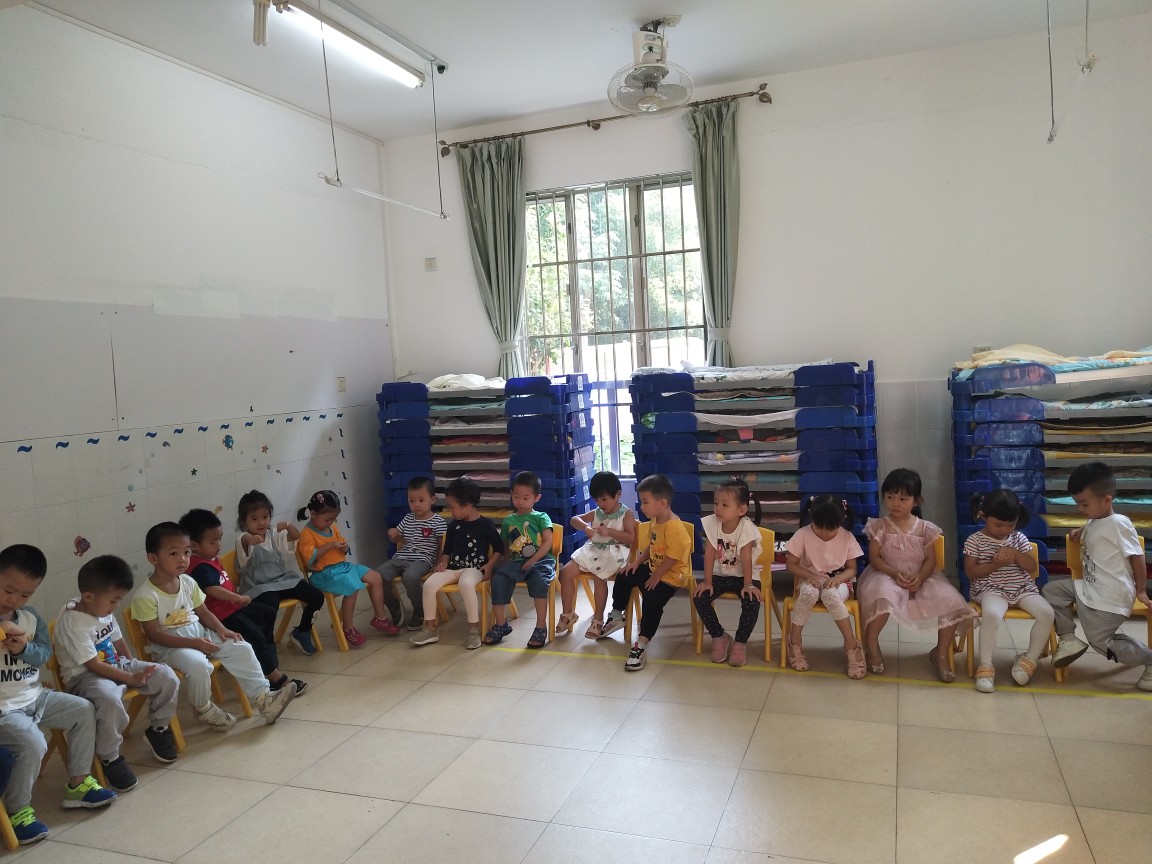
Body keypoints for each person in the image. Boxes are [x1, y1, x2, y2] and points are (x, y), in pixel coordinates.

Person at [0, 544, 116, 845]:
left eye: (25, 595)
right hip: (3, 709)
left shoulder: (29, 617)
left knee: (83, 710)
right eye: (8, 590)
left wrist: (24, 648)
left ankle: (78, 783)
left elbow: (43, 654)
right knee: (32, 742)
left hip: (34, 695)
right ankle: (18, 811)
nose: (14, 600)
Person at [130, 523, 296, 730]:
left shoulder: (188, 582)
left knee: (241, 647)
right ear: (153, 558)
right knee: (199, 664)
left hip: (201, 635)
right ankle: (203, 708)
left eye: (186, 552)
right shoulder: (145, 596)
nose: (182, 559)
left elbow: (204, 613)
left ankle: (264, 699)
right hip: (171, 648)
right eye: (173, 553)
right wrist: (194, 643)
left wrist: (221, 630)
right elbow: (154, 634)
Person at [53, 555, 181, 793]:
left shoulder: (101, 607)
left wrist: (133, 666)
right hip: (86, 678)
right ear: (88, 597)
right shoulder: (73, 621)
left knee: (166, 675)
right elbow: (93, 665)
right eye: (113, 600)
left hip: (115, 665)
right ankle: (110, 756)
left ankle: (159, 728)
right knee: (109, 699)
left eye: (119, 599)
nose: (116, 605)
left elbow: (118, 641)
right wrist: (131, 678)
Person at [858, 468, 978, 681]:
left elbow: (931, 560)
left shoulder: (925, 528)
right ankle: (871, 644)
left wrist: (921, 577)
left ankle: (941, 653)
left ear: (916, 501)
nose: (895, 503)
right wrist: (894, 573)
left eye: (902, 498)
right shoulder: (880, 526)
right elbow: (874, 558)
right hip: (886, 574)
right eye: (890, 497)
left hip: (921, 576)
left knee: (950, 599)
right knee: (882, 594)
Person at [1043, 462, 1152, 691]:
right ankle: (1069, 638)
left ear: (1107, 500)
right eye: (1077, 503)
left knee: (1101, 644)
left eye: (1084, 504)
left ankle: (1149, 660)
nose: (1080, 509)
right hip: (1089, 587)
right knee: (1051, 590)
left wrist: (1141, 590)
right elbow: (1097, 527)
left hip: (1111, 597)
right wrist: (1081, 530)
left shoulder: (1120, 524)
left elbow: (1137, 557)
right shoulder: (1095, 520)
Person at [181, 509, 305, 696]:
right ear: (194, 545)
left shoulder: (210, 558)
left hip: (233, 609)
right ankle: (276, 679)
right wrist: (237, 598)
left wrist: (237, 600)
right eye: (213, 542)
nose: (219, 545)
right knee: (254, 635)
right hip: (221, 617)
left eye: (219, 539)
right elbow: (211, 589)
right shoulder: (199, 566)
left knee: (266, 613)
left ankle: (264, 657)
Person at [963, 490, 1055, 693]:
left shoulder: (1019, 538)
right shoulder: (975, 541)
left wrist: (1015, 554)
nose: (1005, 530)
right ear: (984, 516)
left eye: (1010, 525)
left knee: (1047, 613)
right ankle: (985, 667)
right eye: (998, 525)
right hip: (990, 589)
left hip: (1022, 587)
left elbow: (1032, 567)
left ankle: (1028, 661)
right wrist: (996, 564)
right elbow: (971, 572)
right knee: (992, 615)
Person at [600, 474, 693, 672]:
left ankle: (641, 644)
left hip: (672, 575)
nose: (641, 507)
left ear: (662, 503)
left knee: (652, 599)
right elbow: (652, 546)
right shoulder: (655, 521)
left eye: (645, 502)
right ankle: (616, 615)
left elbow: (673, 557)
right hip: (655, 568)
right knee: (625, 574)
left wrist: (657, 576)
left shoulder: (674, 527)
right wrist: (636, 562)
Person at [410, 478, 503, 650]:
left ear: (467, 504)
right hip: (453, 568)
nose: (450, 510)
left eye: (452, 507)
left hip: (474, 569)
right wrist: (443, 562)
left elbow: (499, 548)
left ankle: (473, 630)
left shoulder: (485, 525)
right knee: (429, 584)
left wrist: (489, 566)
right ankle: (430, 629)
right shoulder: (453, 526)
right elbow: (447, 550)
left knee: (465, 584)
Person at [297, 490, 396, 647]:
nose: (330, 522)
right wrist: (330, 545)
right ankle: (348, 628)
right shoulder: (307, 534)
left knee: (375, 577)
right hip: (323, 574)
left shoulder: (332, 527)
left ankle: (380, 618)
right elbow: (310, 561)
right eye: (327, 519)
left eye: (333, 519)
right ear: (313, 513)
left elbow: (341, 547)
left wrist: (344, 548)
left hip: (342, 567)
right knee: (352, 587)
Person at [235, 489, 325, 656]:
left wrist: (289, 526)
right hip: (259, 587)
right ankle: (266, 645)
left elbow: (295, 537)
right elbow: (245, 541)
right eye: (254, 519)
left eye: (265, 517)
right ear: (243, 521)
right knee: (269, 606)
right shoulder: (242, 538)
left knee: (317, 596)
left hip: (282, 580)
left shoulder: (273, 535)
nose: (261, 522)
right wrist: (251, 540)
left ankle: (302, 631)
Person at [785, 495, 866, 679]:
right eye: (819, 527)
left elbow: (852, 569)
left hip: (839, 582)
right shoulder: (802, 534)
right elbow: (791, 564)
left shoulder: (847, 537)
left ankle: (851, 645)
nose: (823, 533)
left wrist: (838, 579)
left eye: (830, 529)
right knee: (808, 593)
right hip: (809, 580)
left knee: (830, 595)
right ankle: (794, 641)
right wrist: (809, 576)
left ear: (841, 520)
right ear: (811, 517)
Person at [555, 471, 636, 639]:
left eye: (604, 499)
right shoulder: (598, 512)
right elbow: (574, 519)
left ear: (618, 495)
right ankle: (568, 613)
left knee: (599, 575)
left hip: (614, 552)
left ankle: (598, 619)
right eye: (597, 500)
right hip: (593, 549)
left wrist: (610, 532)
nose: (600, 503)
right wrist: (586, 527)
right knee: (566, 572)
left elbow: (631, 538)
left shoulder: (626, 513)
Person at [693, 478, 764, 668]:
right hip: (721, 575)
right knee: (700, 597)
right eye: (716, 503)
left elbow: (746, 558)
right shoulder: (712, 524)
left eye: (725, 505)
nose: (718, 509)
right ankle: (720, 636)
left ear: (741, 510)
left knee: (752, 601)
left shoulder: (746, 528)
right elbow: (709, 554)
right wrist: (708, 581)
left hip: (745, 577)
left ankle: (740, 642)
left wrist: (748, 585)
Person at [485, 472, 556, 649]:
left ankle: (541, 626)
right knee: (499, 579)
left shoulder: (541, 517)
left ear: (536, 498)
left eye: (526, 498)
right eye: (516, 497)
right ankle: (501, 624)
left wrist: (533, 560)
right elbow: (505, 545)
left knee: (539, 581)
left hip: (541, 560)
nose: (520, 502)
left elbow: (548, 542)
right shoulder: (509, 520)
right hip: (517, 562)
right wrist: (507, 562)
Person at [380, 477, 447, 630]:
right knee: (379, 575)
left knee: (410, 577)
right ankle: (394, 606)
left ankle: (420, 610)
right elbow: (397, 538)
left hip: (423, 560)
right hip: (401, 557)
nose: (416, 504)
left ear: (432, 500)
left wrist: (438, 562)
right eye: (412, 501)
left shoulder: (438, 521)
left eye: (421, 500)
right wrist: (393, 534)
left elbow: (442, 545)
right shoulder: (408, 518)